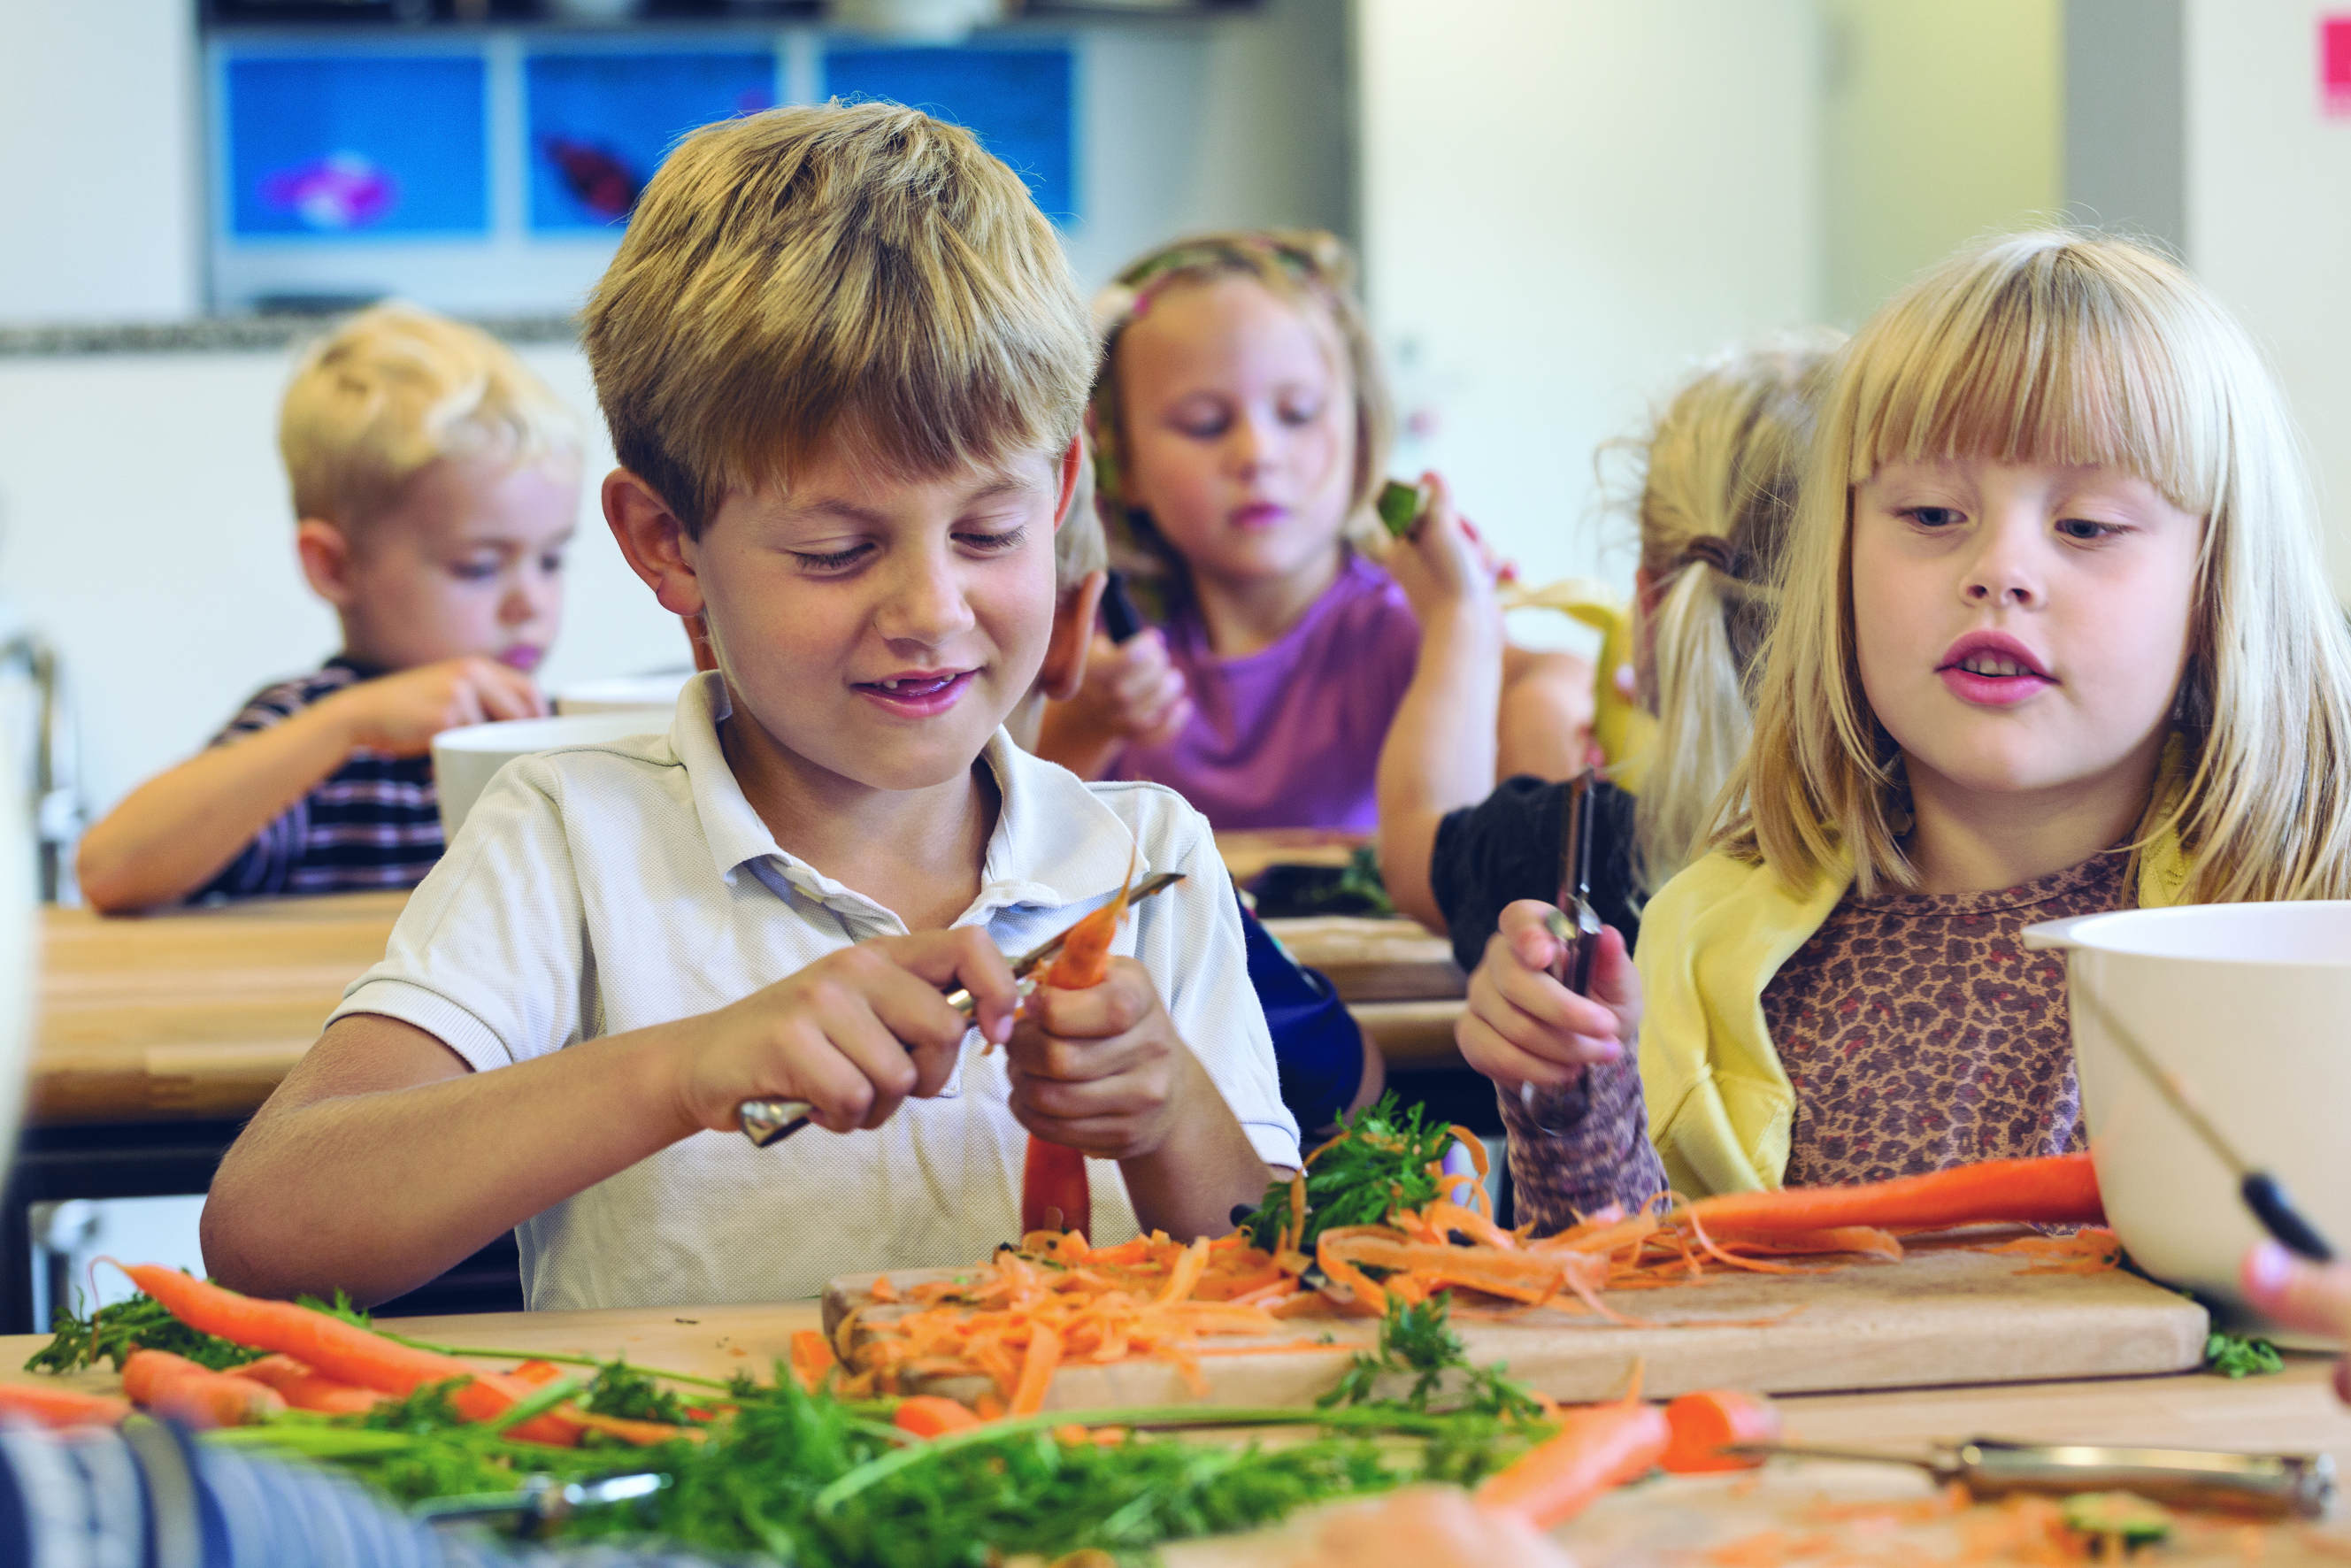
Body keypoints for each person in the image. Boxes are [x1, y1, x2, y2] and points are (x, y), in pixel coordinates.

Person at [197, 103, 1299, 1312]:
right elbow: (268, 1226)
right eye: (835, 550)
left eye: (989, 530)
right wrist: (681, 1069)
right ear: (667, 546)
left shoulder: (1142, 858)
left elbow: (1271, 1280)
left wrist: (1168, 1111)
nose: (931, 608)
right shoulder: (570, 842)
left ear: (1062, 494)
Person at [1458, 231, 2351, 1231]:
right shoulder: (1703, 937)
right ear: (1835, 564)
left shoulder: (2298, 919)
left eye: (2086, 525)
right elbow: (1640, 1301)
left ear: (2216, 587)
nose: (1999, 569)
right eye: (1929, 513)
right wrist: (1570, 1099)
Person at [1031, 230, 1590, 831]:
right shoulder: (1101, 650)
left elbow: (1547, 673)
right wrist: (1085, 724)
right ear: (1117, 461)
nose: (1257, 454)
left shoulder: (1401, 621)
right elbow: (1014, 827)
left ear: (1362, 434)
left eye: (1297, 414)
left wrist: (1547, 701)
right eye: (1204, 424)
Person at [75, 304, 580, 912]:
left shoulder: (553, 738)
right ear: (335, 567)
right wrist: (344, 725)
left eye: (551, 561)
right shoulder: (314, 742)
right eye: (477, 566)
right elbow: (109, 870)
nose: (531, 602)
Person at [1377, 339, 1839, 976]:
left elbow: (1410, 847)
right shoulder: (1935, 856)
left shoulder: (1576, 851)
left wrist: (1459, 618)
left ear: (1649, 603)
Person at [1008, 460, 1380, 1136]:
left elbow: (1347, 1086)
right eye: (832, 555)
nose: (1257, 454)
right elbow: (1349, 1085)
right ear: (1073, 635)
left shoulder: (1161, 860)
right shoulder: (1152, 868)